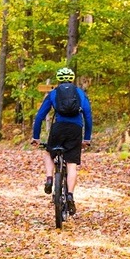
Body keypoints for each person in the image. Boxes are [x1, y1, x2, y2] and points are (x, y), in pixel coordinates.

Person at [30, 67, 92, 215]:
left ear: (59, 80)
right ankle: (70, 194)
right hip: (75, 129)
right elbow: (88, 116)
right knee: (71, 165)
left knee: (48, 152)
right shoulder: (80, 93)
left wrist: (36, 137)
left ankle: (50, 178)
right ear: (72, 79)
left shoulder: (54, 93)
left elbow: (40, 116)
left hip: (58, 128)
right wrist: (87, 138)